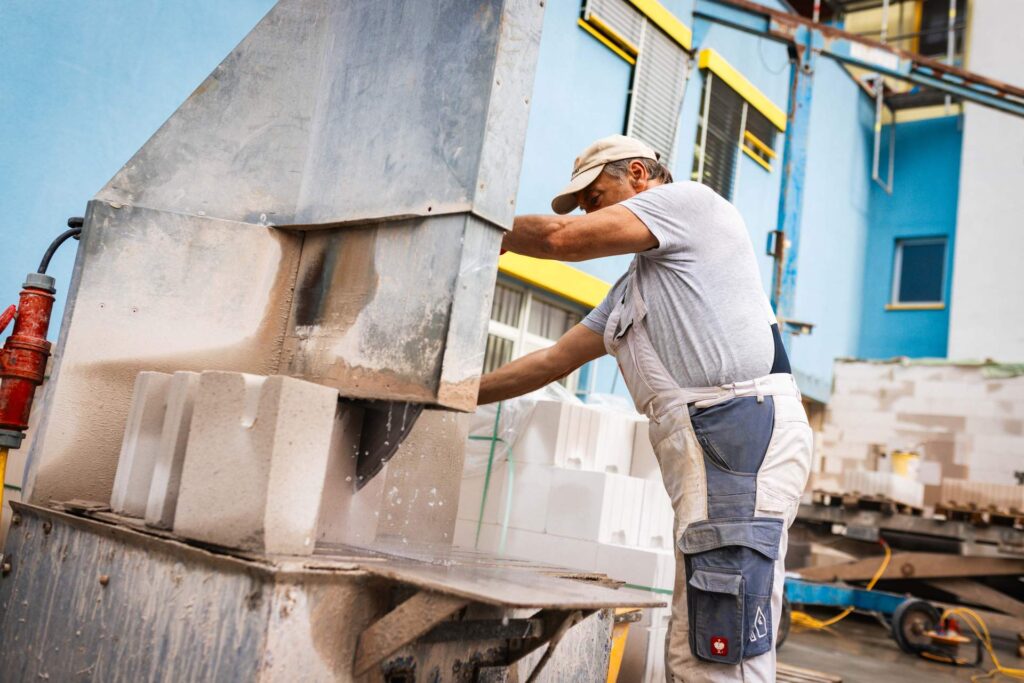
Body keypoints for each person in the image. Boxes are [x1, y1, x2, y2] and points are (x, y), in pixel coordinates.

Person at [477, 134, 812, 682]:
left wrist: (487, 227)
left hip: (738, 432)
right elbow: (552, 361)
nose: (588, 214)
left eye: (594, 198)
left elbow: (560, 238)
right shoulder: (634, 290)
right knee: (701, 626)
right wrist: (458, 392)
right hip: (714, 442)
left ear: (637, 173)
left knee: (719, 641)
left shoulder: (690, 204)